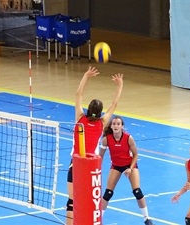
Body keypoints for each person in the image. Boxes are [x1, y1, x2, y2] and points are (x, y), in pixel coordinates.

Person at [66, 66, 123, 225]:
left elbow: (78, 95)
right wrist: (119, 86)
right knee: (91, 201)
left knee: (72, 201)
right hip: (91, 168)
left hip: (75, 164)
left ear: (88, 109)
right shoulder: (102, 124)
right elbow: (115, 104)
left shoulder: (80, 119)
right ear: (99, 113)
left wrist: (86, 75)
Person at [99, 116, 154, 225]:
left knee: (137, 191)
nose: (116, 126)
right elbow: (100, 156)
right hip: (116, 166)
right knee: (108, 193)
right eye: (114, 124)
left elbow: (136, 154)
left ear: (122, 126)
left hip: (130, 165)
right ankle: (98, 218)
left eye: (118, 124)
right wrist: (96, 170)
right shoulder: (106, 139)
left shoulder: (128, 138)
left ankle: (147, 218)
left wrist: (130, 168)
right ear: (111, 126)